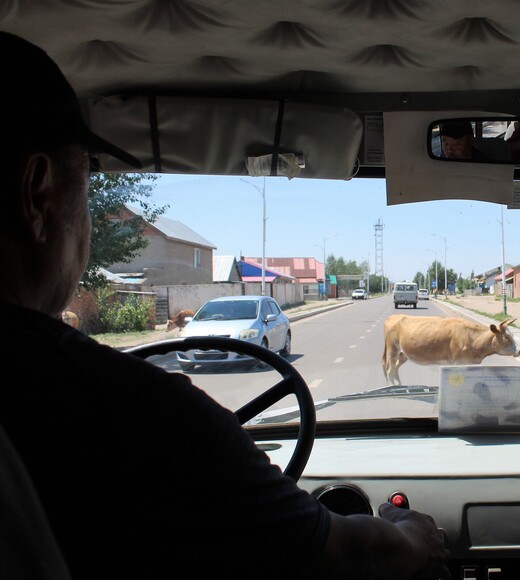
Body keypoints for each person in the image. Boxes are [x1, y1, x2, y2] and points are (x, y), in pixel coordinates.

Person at [0, 31, 449, 579]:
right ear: (37, 193)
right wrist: (415, 535)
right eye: (86, 189)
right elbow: (355, 556)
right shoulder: (134, 413)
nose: (89, 223)